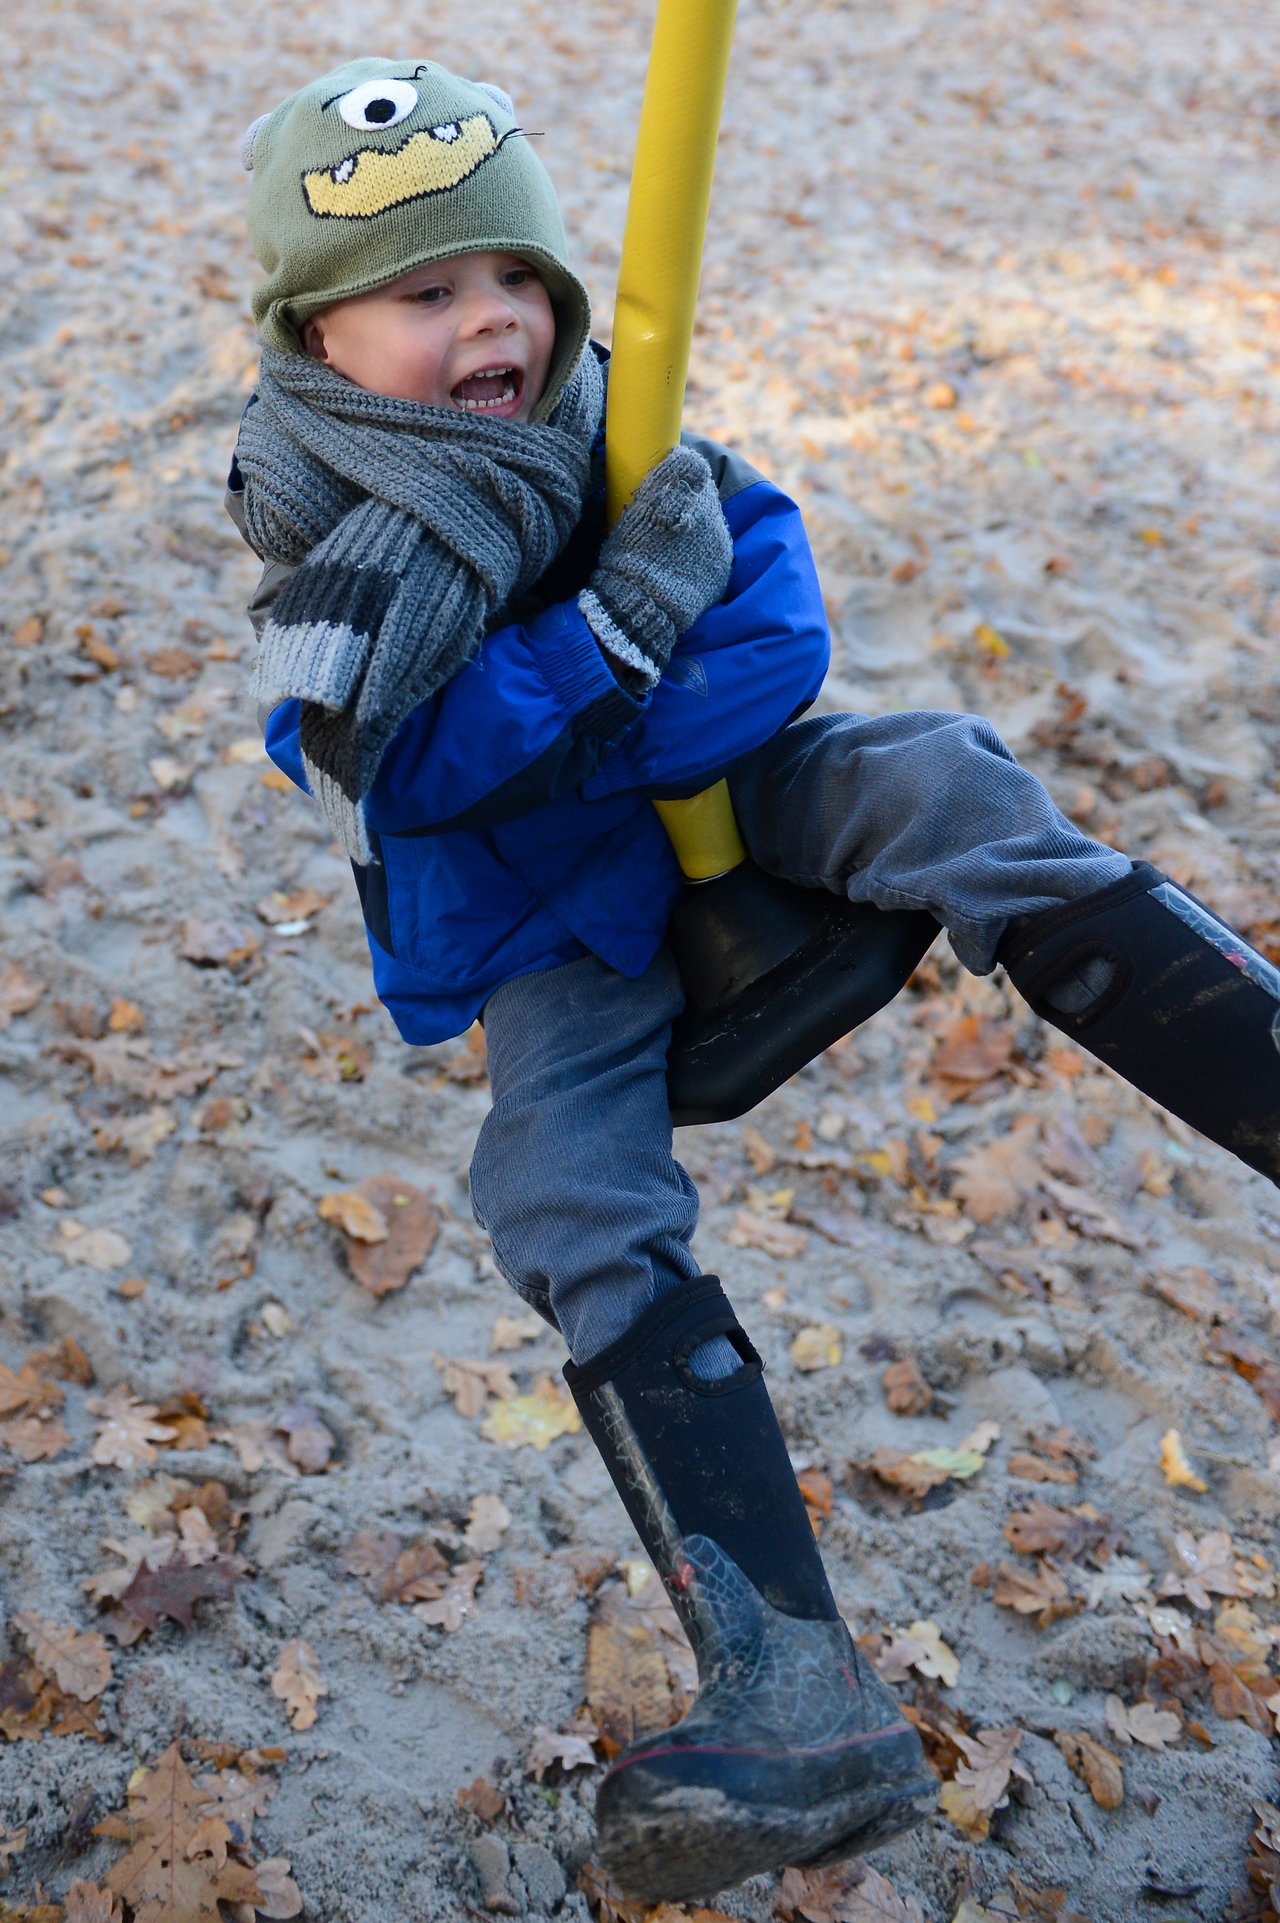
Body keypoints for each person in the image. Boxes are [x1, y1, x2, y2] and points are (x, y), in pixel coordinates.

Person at [226, 58, 1280, 1905]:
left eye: (517, 280)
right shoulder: (330, 545)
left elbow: (775, 627)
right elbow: (418, 764)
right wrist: (620, 635)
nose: (494, 322)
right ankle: (792, 1684)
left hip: (732, 811)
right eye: (426, 294)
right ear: (316, 337)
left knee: (944, 778)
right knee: (561, 1191)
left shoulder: (636, 432)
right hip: (549, 927)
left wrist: (607, 670)